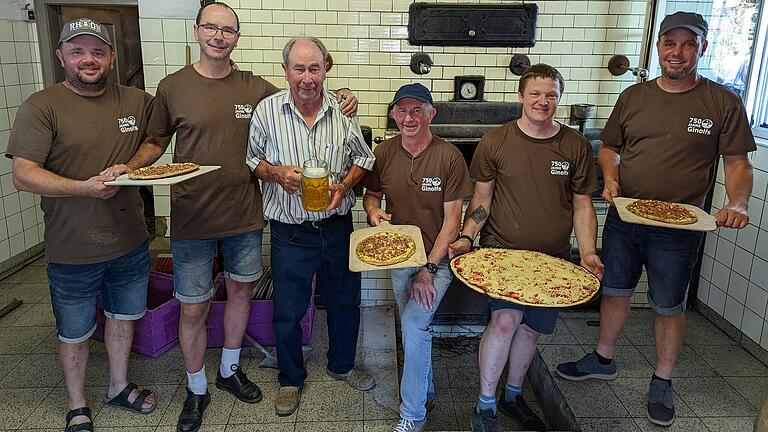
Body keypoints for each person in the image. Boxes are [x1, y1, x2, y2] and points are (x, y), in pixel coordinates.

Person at [101, 4, 358, 432]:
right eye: (212, 28)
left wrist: (345, 94)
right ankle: (196, 386)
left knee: (240, 295)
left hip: (243, 216)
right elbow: (156, 140)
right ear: (198, 31)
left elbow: (306, 92)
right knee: (193, 308)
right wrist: (132, 165)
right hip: (192, 217)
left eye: (228, 30)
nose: (220, 36)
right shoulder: (172, 86)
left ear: (237, 37)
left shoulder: (254, 88)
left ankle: (229, 370)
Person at [556, 12, 756, 428]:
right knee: (614, 289)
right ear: (659, 48)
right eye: (670, 43)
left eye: (688, 44)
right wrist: (609, 177)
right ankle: (602, 357)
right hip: (627, 215)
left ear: (702, 48)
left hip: (680, 222)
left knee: (667, 304)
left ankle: (662, 379)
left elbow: (737, 162)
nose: (677, 52)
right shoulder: (634, 97)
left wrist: (737, 202)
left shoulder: (722, 102)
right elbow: (610, 147)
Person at [6, 18, 156, 432]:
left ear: (111, 57)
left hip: (129, 239)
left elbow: (156, 139)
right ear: (62, 58)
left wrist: (135, 164)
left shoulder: (135, 100)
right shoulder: (42, 105)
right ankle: (76, 405)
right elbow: (24, 174)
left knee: (123, 317)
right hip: (72, 246)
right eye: (78, 52)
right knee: (74, 331)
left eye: (97, 51)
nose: (88, 59)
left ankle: (119, 386)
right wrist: (83, 188)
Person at [448, 64, 604, 432]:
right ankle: (485, 405)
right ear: (521, 96)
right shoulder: (495, 141)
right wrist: (468, 237)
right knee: (505, 321)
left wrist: (587, 253)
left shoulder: (576, 146)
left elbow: (583, 206)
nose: (543, 101)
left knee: (531, 331)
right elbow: (481, 200)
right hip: (503, 254)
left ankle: (513, 395)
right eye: (535, 94)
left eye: (551, 95)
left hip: (552, 261)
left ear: (559, 99)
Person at [247, 36, 376, 417]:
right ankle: (290, 379)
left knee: (344, 301)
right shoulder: (267, 111)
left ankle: (342, 364)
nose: (307, 77)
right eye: (299, 68)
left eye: (314, 68)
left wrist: (345, 185)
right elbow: (252, 160)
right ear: (286, 70)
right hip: (290, 232)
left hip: (337, 227)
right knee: (288, 308)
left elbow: (363, 158)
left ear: (326, 69)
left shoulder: (342, 109)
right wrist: (275, 174)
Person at [363, 83, 471, 432]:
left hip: (436, 260)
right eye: (402, 110)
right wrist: (374, 213)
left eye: (417, 110)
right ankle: (426, 388)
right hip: (400, 256)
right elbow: (371, 195)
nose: (409, 117)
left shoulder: (449, 156)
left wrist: (429, 269)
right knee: (412, 330)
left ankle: (412, 415)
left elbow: (453, 221)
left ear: (431, 114)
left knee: (413, 325)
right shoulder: (383, 153)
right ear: (393, 115)